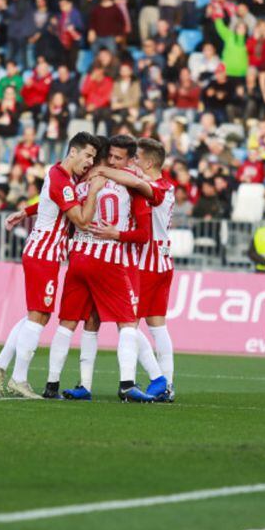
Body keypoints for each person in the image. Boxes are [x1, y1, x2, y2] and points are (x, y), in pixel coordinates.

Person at [0, 132, 103, 399]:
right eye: (88, 155)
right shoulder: (63, 180)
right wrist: (94, 192)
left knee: (35, 316)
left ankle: (0, 365)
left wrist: (25, 211)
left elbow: (49, 200)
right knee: (39, 316)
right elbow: (82, 220)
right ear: (73, 152)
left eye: (94, 158)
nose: (90, 162)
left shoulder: (61, 176)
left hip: (42, 251)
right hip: (44, 254)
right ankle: (19, 379)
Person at [82, 137, 177, 402]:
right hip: (163, 261)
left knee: (129, 325)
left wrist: (100, 169)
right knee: (157, 326)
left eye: (136, 159)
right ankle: (167, 384)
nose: (131, 163)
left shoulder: (152, 187)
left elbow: (135, 182)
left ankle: (152, 380)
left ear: (147, 163)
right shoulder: (168, 185)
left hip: (146, 263)